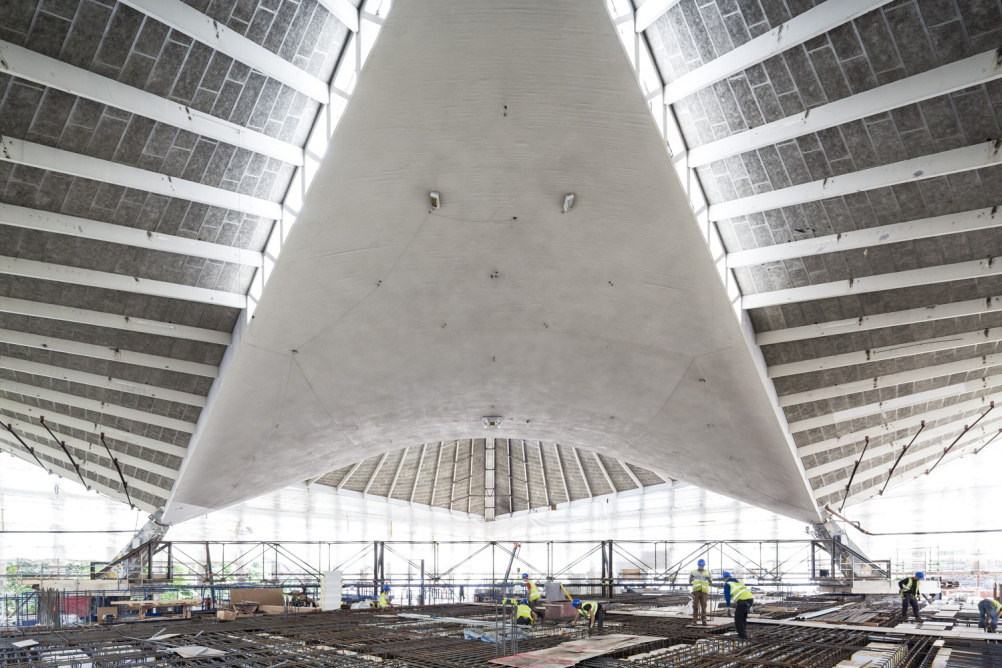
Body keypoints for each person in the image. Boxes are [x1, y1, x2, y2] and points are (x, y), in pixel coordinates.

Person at [721, 572, 753, 639]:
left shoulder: (728, 584)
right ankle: (743, 633)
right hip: (750, 599)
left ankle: (741, 636)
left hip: (743, 601)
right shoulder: (739, 583)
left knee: (738, 618)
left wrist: (728, 606)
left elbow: (727, 596)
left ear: (725, 579)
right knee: (743, 617)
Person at [689, 559, 711, 625]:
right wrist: (691, 579)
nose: (701, 568)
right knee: (695, 606)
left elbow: (710, 580)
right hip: (696, 591)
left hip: (704, 591)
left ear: (704, 566)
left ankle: (704, 620)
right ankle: (695, 620)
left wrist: (709, 579)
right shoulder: (693, 572)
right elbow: (690, 580)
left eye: (702, 566)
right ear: (698, 565)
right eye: (700, 566)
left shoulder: (707, 572)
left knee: (704, 606)